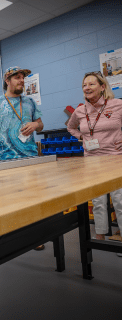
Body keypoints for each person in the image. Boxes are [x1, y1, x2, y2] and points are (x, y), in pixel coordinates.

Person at [0, 66, 44, 250]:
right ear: (7, 81)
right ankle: (16, 235)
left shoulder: (30, 102)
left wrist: (35, 124)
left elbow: (41, 125)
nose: (21, 81)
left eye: (23, 78)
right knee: (11, 200)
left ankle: (36, 237)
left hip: (31, 157)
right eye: (17, 78)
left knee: (33, 199)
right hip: (8, 160)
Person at [67, 71, 122, 255]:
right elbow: (70, 126)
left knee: (119, 200)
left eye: (91, 84)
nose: (87, 88)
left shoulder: (117, 105)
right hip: (92, 161)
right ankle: (99, 236)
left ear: (102, 86)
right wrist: (80, 138)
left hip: (115, 159)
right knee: (98, 201)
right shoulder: (80, 110)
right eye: (84, 85)